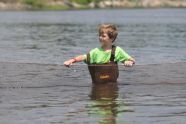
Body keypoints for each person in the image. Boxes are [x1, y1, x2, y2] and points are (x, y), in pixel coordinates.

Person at [64, 24, 135, 68]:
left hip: (111, 83)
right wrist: (72, 60)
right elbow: (83, 57)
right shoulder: (95, 51)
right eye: (99, 35)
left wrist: (129, 62)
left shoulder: (117, 50)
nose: (100, 37)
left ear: (112, 38)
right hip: (98, 81)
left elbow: (132, 60)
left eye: (103, 36)